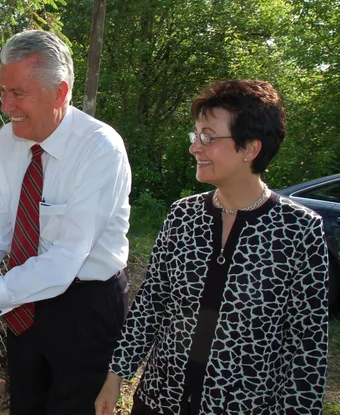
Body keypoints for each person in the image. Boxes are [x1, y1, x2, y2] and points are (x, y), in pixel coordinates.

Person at [95, 80, 328, 415]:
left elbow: (306, 347)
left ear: (250, 148)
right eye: (195, 135)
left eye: (208, 136)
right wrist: (116, 375)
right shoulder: (183, 215)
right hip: (161, 401)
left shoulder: (299, 230)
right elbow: (151, 303)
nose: (195, 147)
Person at [0, 30, 132, 414]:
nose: (5, 106)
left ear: (59, 92)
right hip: (24, 303)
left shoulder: (99, 149)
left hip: (85, 308)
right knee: (26, 405)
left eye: (17, 93)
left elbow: (64, 261)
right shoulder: (4, 143)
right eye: (2, 91)